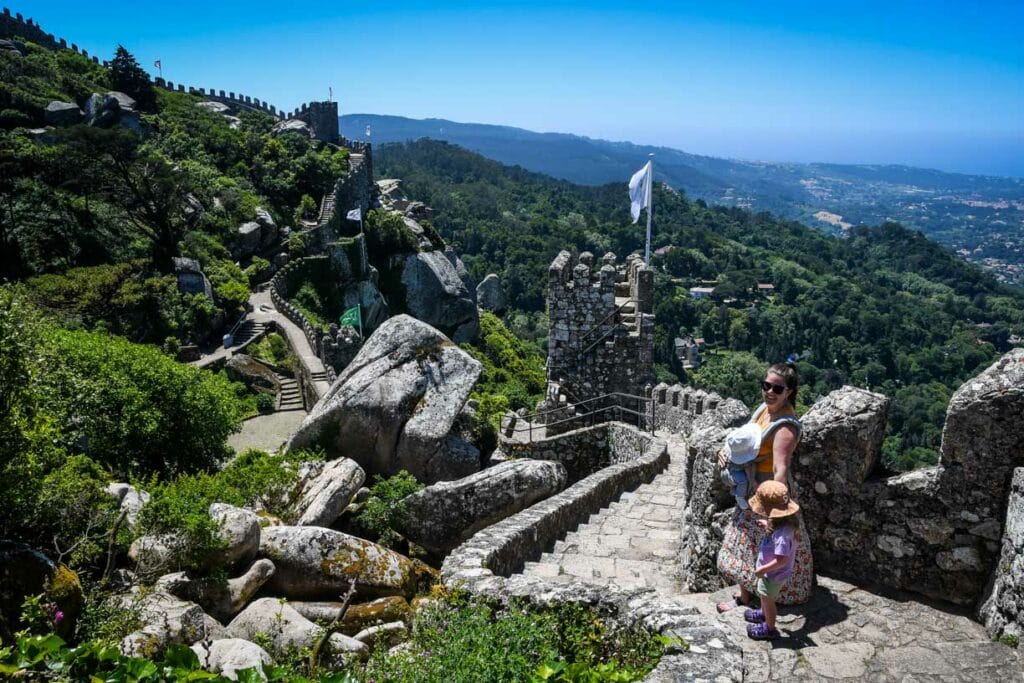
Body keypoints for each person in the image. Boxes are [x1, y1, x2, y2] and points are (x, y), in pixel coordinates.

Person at [715, 361, 814, 612]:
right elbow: (745, 438)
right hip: (753, 491)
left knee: (768, 546)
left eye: (777, 389)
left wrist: (774, 512)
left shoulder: (786, 427)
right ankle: (745, 596)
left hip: (768, 495)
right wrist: (725, 452)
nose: (770, 392)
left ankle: (767, 600)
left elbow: (780, 469)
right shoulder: (763, 410)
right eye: (766, 385)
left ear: (789, 391)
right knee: (747, 544)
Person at [744, 480, 800, 640]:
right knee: (764, 596)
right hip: (772, 574)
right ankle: (763, 613)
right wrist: (767, 524)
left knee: (767, 599)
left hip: (773, 575)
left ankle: (769, 628)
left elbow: (781, 560)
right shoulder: (785, 525)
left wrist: (763, 569)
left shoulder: (782, 536)